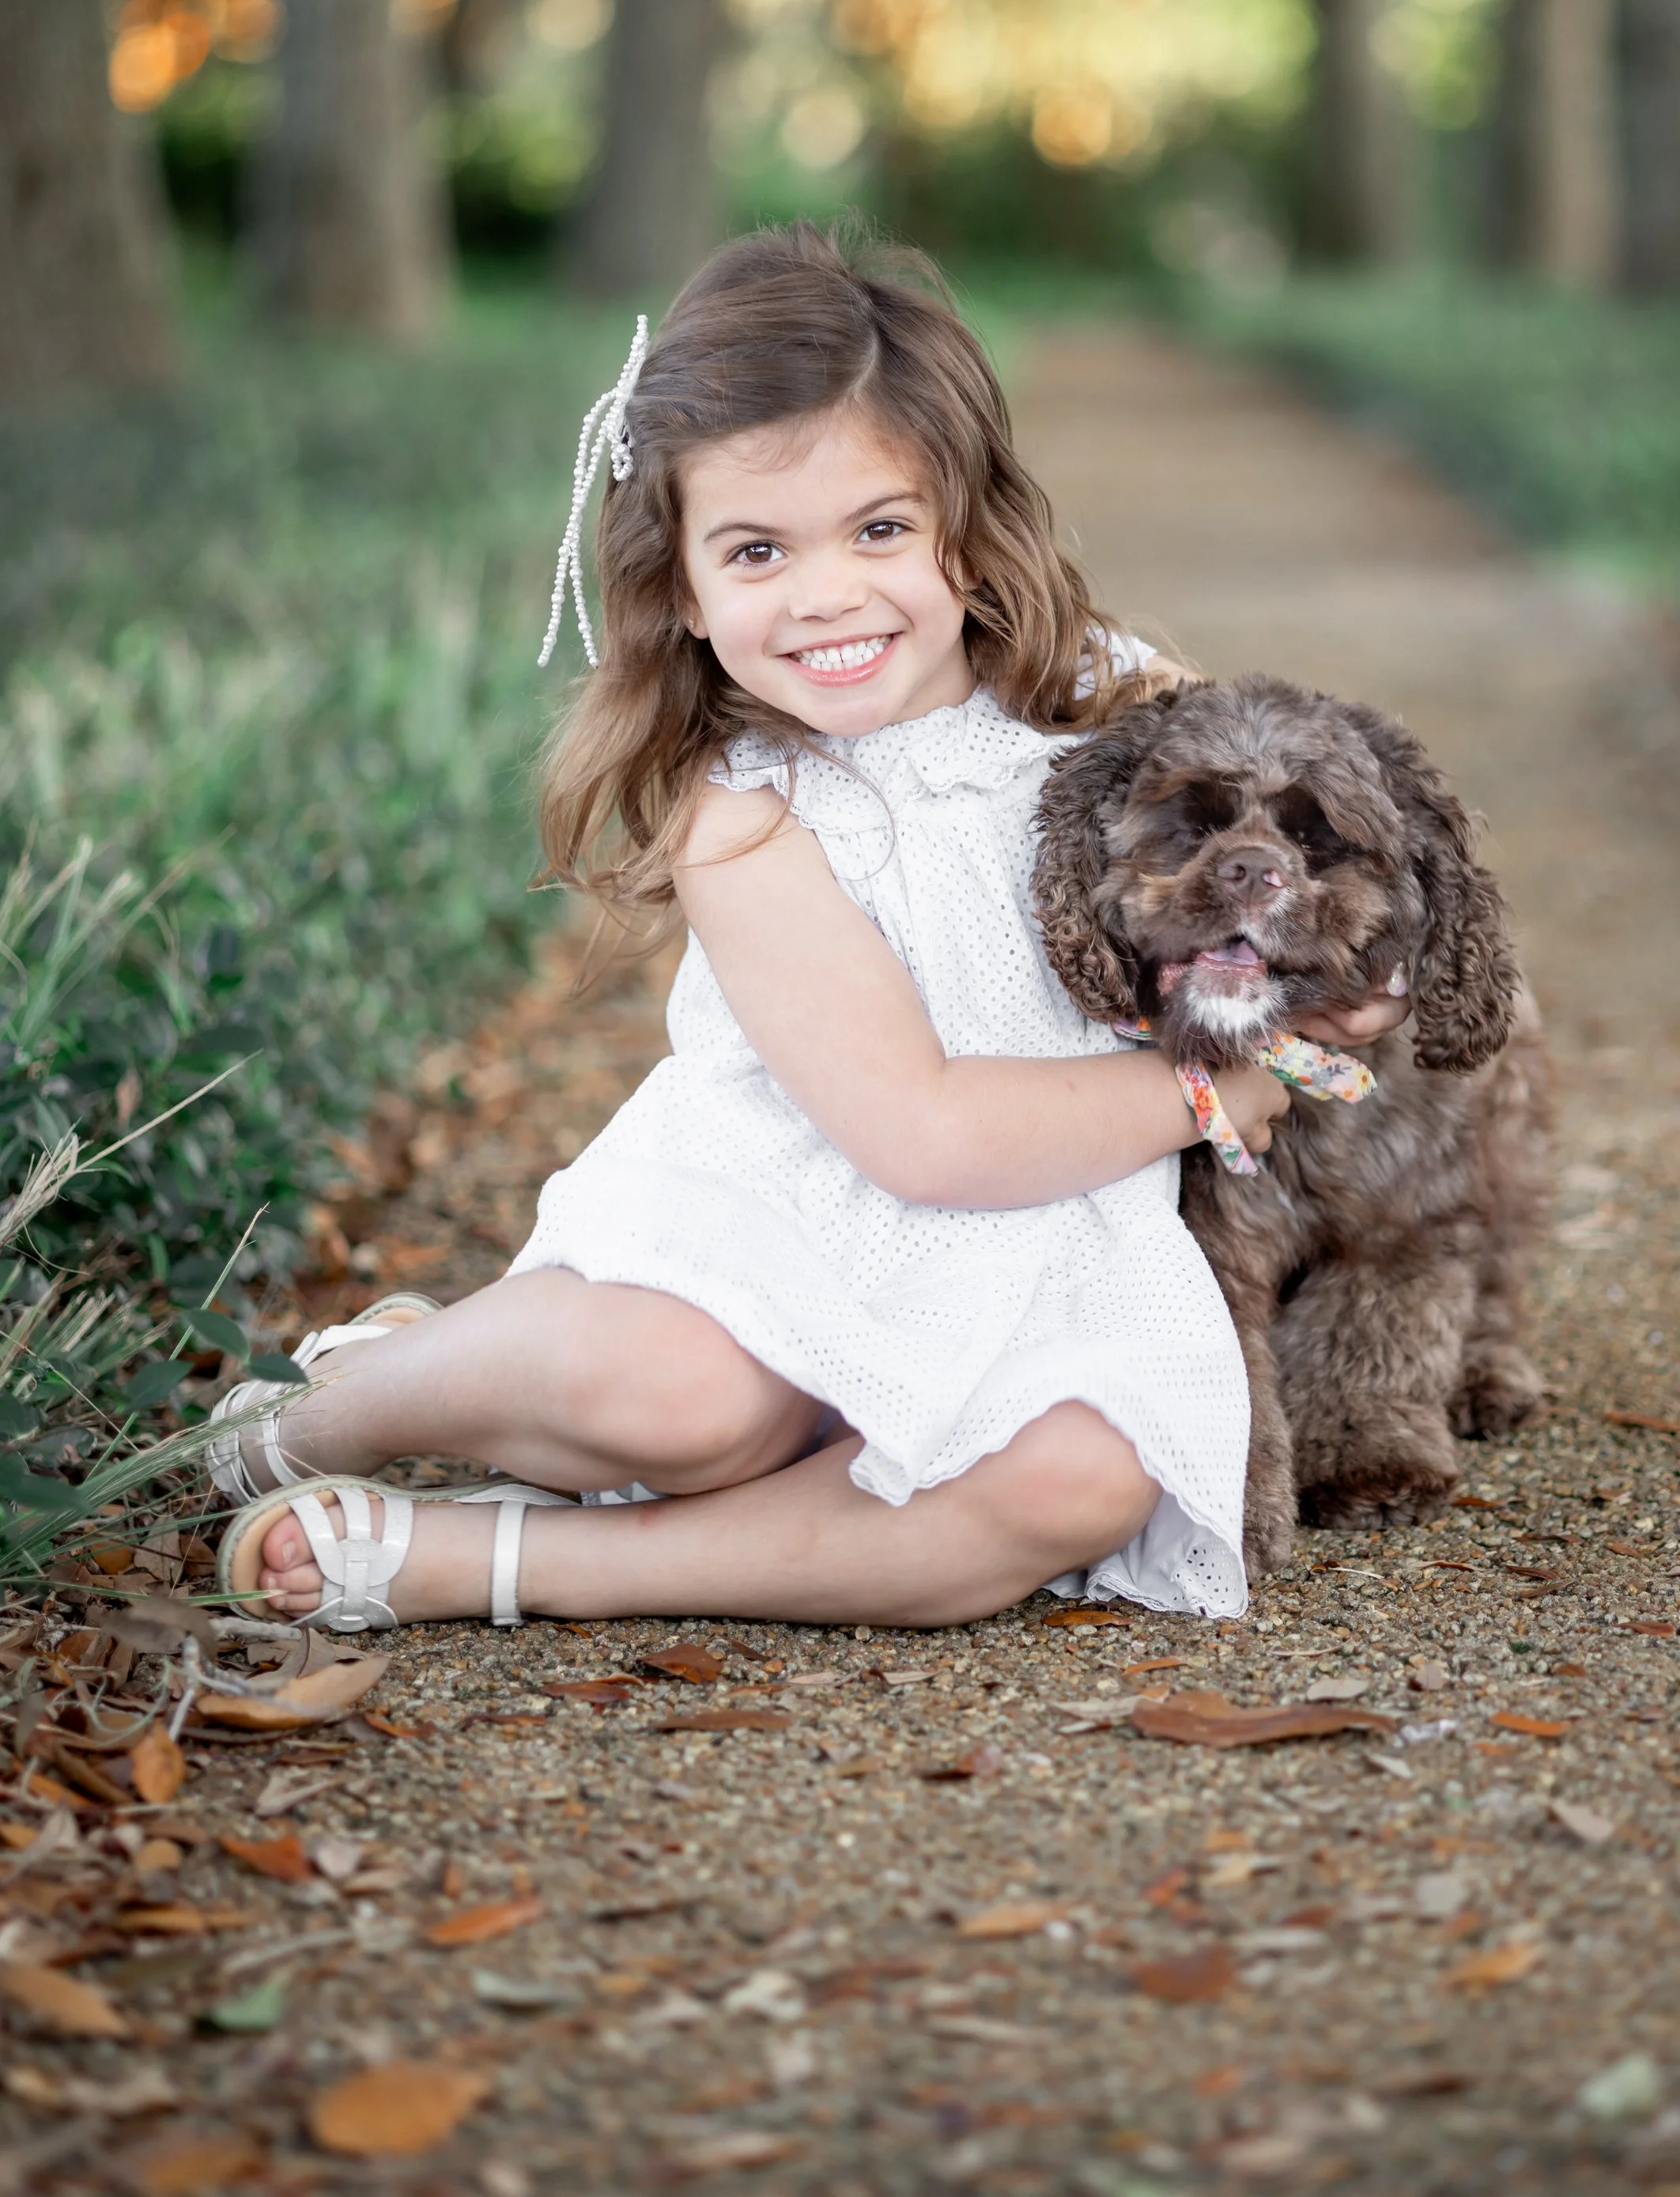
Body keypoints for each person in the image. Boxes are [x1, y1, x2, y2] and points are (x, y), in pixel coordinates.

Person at [212, 228, 1406, 1635]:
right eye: (758, 550)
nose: (827, 593)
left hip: (1050, 1228)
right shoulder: (749, 811)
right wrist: (1228, 1085)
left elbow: (1285, 859)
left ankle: (493, 1562)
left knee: (1091, 1474)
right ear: (686, 586)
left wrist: (1336, 993)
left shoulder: (1118, 697)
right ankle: (344, 1400)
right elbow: (925, 1136)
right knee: (688, 1405)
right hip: (779, 1211)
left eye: (881, 530)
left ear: (970, 528)